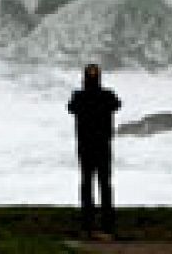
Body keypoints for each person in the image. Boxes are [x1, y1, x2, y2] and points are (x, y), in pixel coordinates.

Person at [68, 64, 122, 237]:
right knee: (104, 183)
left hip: (85, 144)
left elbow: (71, 108)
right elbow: (117, 105)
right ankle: (107, 224)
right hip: (102, 144)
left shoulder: (79, 96)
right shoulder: (107, 95)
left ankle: (87, 224)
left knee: (87, 183)